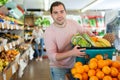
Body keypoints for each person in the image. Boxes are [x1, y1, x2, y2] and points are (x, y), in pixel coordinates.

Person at [44, 1, 94, 80]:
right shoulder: (49, 32)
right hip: (58, 67)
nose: (59, 15)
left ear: (65, 12)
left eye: (61, 11)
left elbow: (84, 31)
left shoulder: (73, 23)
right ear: (51, 15)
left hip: (75, 64)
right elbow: (52, 56)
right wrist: (72, 53)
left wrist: (91, 35)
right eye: (55, 13)